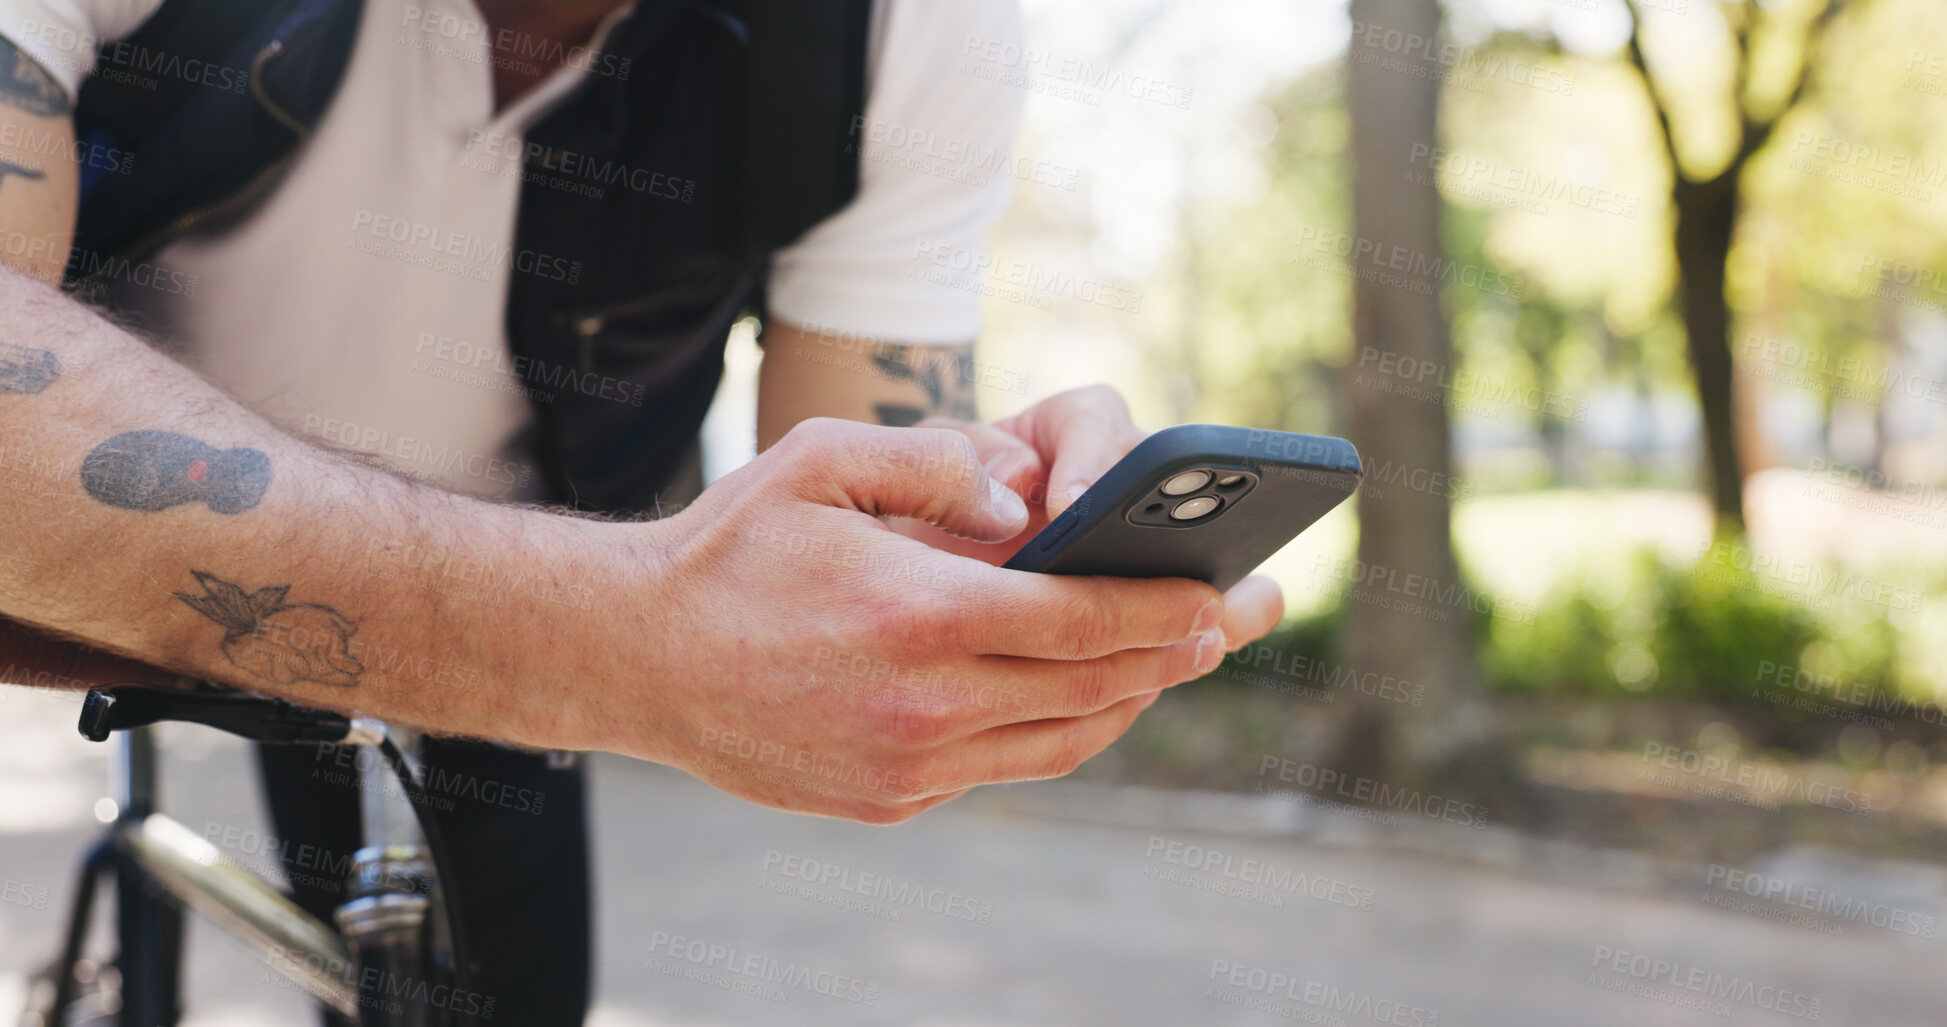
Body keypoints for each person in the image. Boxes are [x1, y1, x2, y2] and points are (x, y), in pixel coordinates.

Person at [0, 0, 1283, 1022]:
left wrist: (994, 530)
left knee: (507, 988)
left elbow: (881, 499)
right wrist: (620, 644)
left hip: (546, 575)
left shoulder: (904, 30)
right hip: (456, 602)